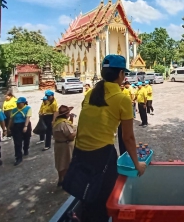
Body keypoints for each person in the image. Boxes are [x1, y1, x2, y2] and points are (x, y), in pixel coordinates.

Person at [73, 55, 146, 222]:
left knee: (87, 195)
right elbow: (127, 137)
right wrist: (137, 164)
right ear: (120, 74)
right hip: (101, 156)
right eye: (124, 73)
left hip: (79, 153)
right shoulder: (122, 99)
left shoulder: (91, 93)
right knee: (103, 202)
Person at [53, 105, 76, 187]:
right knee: (66, 163)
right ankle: (66, 181)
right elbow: (70, 135)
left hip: (58, 144)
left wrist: (71, 119)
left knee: (60, 163)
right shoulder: (64, 124)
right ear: (66, 114)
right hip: (65, 146)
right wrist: (77, 131)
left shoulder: (56, 122)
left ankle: (60, 179)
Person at [8, 96, 32, 166]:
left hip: (25, 124)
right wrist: (8, 128)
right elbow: (11, 119)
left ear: (24, 103)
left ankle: (26, 148)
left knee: (27, 138)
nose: (18, 104)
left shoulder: (28, 108)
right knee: (17, 142)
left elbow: (28, 117)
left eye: (19, 103)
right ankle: (18, 157)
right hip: (16, 126)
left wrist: (25, 126)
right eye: (17, 103)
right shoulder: (14, 110)